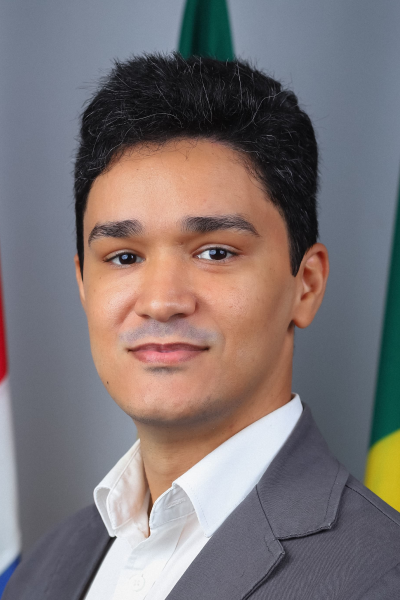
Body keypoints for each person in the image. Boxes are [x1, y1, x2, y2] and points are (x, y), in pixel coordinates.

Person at [5, 53, 400, 600]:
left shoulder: (380, 577)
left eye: (215, 252)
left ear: (305, 286)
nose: (161, 302)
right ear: (84, 286)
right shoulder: (44, 570)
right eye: (124, 257)